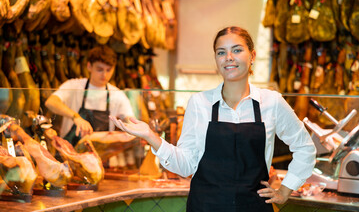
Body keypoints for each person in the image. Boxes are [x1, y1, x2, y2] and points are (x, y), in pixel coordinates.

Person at [110, 26, 316, 211]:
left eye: (237, 50)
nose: (228, 57)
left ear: (252, 55)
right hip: (205, 207)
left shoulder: (271, 102)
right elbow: (186, 166)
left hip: (253, 207)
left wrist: (285, 190)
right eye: (221, 52)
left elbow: (305, 147)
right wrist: (150, 136)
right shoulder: (199, 103)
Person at [45, 45, 134, 155]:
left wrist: (135, 131)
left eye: (108, 70)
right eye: (99, 69)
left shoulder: (117, 95)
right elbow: (51, 102)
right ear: (89, 66)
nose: (104, 75)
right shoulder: (74, 85)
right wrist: (76, 117)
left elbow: (130, 120)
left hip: (101, 158)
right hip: (69, 154)